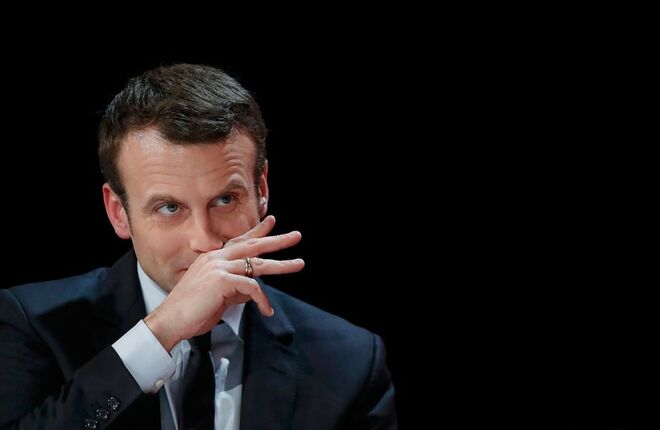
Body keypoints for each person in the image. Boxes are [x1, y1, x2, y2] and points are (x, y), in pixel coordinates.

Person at [0, 63, 396, 429]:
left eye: (225, 199)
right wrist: (160, 332)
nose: (205, 242)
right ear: (118, 212)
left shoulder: (351, 361)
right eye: (169, 208)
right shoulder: (34, 324)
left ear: (261, 190)